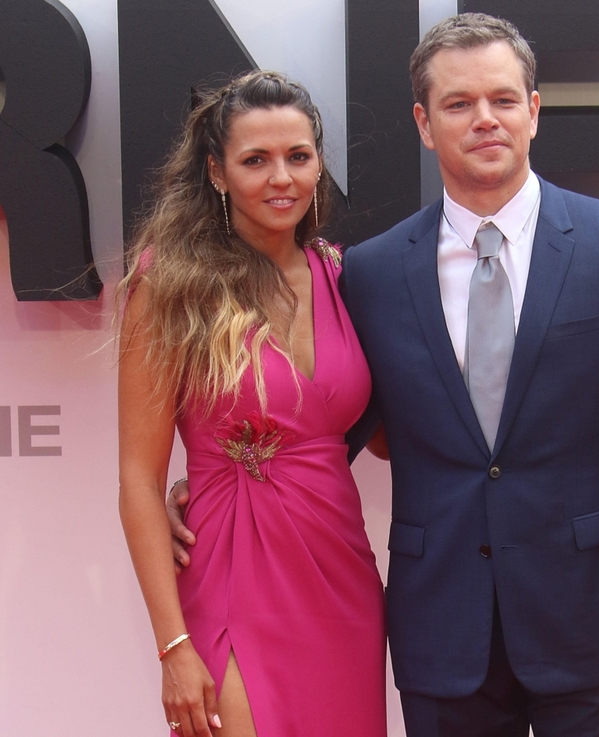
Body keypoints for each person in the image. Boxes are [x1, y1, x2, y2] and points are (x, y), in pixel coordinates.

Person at [170, 13, 599, 737]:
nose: (484, 119)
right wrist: (220, 485)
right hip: (442, 630)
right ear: (425, 124)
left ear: (533, 109)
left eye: (501, 99)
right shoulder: (369, 272)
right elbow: (327, 418)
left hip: (596, 618)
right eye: (458, 104)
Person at [118, 70, 386, 737]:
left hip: (341, 577)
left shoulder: (346, 276)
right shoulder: (169, 284)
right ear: (217, 171)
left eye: (298, 156)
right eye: (255, 160)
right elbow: (138, 479)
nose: (281, 178)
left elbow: (388, 435)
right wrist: (173, 647)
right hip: (230, 573)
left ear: (319, 163)